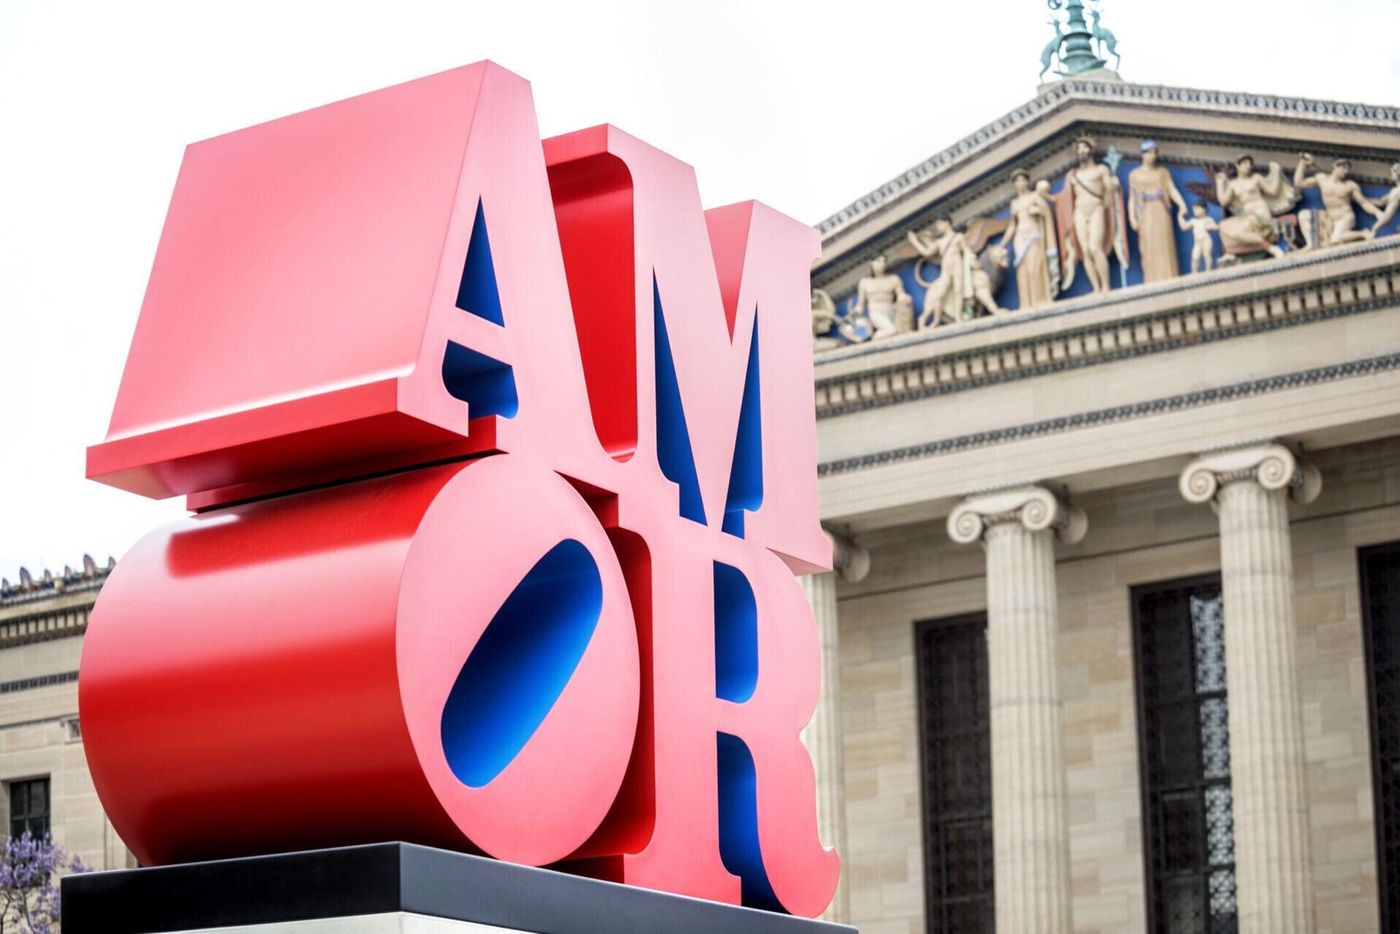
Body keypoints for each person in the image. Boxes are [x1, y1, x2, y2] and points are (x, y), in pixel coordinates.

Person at [1055, 135, 1124, 294]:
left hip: (1096, 209)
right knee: (1084, 250)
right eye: (1078, 149)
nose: (1081, 151)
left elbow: (1108, 188)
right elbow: (1064, 198)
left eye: (1084, 147)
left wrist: (1113, 185)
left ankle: (1106, 285)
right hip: (1079, 212)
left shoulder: (1101, 170)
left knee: (1094, 247)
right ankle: (1096, 287)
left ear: (1091, 150)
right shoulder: (1073, 175)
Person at [1128, 141, 1188, 282]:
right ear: (1143, 154)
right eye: (1149, 152)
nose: (1152, 156)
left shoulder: (1162, 172)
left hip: (1161, 211)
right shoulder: (1135, 175)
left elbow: (1171, 189)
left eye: (1155, 152)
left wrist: (1182, 204)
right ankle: (1152, 279)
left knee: (1165, 244)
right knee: (1148, 245)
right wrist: (1132, 218)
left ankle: (1169, 275)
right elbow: (1133, 198)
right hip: (1145, 213)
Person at [1294, 153, 1382, 249]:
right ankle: (1310, 244)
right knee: (1303, 215)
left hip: (1345, 217)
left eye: (1347, 169)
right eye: (1343, 168)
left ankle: (1363, 233)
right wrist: (1302, 164)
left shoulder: (1349, 185)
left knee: (1335, 240)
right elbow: (1299, 183)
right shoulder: (1322, 179)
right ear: (1335, 166)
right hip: (1329, 217)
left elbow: (1363, 203)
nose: (1346, 171)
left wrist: (1377, 212)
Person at [998, 170, 1058, 309]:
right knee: (1023, 271)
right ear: (1014, 184)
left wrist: (1038, 211)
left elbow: (1047, 213)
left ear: (1027, 181)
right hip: (1020, 237)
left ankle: (1039, 300)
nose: (1021, 183)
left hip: (1033, 235)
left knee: (1034, 267)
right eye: (1018, 180)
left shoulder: (1034, 197)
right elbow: (1013, 225)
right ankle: (1027, 303)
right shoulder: (1014, 203)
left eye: (1023, 180)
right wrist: (1002, 244)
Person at [1214, 155, 1286, 260]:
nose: (1248, 166)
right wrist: (1219, 183)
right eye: (1244, 163)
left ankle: (1271, 248)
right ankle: (1229, 253)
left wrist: (1276, 172)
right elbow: (1223, 201)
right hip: (1245, 215)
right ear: (1237, 166)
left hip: (1260, 213)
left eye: (1250, 163)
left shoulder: (1256, 178)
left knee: (1243, 228)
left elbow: (1273, 191)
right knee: (1222, 226)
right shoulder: (1233, 184)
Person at [907, 217, 968, 328]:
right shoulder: (940, 242)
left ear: (947, 223)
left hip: (957, 265)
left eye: (939, 224)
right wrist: (914, 241)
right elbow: (926, 252)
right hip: (946, 267)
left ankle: (958, 317)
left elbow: (967, 251)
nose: (938, 227)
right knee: (940, 293)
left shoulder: (958, 237)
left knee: (958, 290)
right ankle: (935, 320)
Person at [849, 255, 914, 339]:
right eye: (878, 261)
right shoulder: (865, 282)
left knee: (900, 327)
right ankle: (874, 339)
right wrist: (855, 312)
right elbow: (860, 305)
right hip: (876, 313)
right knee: (892, 330)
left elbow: (901, 294)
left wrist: (904, 298)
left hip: (891, 311)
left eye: (884, 261)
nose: (882, 264)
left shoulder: (893, 279)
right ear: (871, 263)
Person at [1179, 202, 1219, 273]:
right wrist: (1180, 217)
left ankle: (1208, 270)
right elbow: (1184, 227)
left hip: (1206, 240)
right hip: (1197, 243)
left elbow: (1216, 227)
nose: (1195, 211)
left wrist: (1210, 227)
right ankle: (1194, 272)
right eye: (1193, 209)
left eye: (1197, 209)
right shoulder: (1193, 221)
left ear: (1204, 209)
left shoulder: (1208, 219)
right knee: (1195, 257)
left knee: (1207, 255)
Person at [1373, 163, 1400, 235]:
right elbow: (1381, 202)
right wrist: (1362, 200)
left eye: (1393, 171)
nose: (1391, 173)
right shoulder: (1395, 191)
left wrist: (1375, 229)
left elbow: (1388, 215)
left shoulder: (1397, 192)